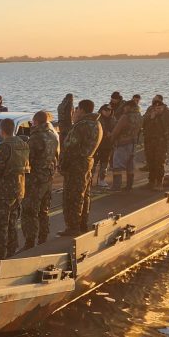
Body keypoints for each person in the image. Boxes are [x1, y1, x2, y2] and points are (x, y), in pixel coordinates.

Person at [59, 99, 103, 236]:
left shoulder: (81, 126)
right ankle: (82, 223)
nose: (75, 111)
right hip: (87, 162)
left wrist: (63, 164)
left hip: (76, 165)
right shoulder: (97, 124)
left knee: (73, 196)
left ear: (82, 110)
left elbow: (70, 147)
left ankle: (73, 226)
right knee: (84, 194)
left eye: (77, 109)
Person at [0, 118, 30, 260]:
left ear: (2, 130)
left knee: (0, 225)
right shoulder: (23, 144)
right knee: (12, 223)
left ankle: (0, 257)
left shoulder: (4, 146)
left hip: (4, 191)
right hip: (19, 190)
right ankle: (12, 252)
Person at [21, 110, 60, 249]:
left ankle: (30, 241)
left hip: (35, 180)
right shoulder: (53, 135)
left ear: (36, 122)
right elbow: (56, 156)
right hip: (48, 177)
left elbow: (27, 159)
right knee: (44, 209)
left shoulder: (36, 137)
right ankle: (43, 237)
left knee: (29, 210)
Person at [109, 94, 143, 190]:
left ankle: (116, 186)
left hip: (122, 143)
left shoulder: (125, 117)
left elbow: (116, 130)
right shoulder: (139, 116)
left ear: (129, 107)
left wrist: (111, 140)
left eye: (125, 107)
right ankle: (129, 185)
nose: (124, 109)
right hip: (133, 143)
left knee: (117, 165)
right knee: (130, 165)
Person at [142, 95, 169, 189]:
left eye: (159, 108)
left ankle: (159, 182)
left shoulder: (166, 115)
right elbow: (142, 124)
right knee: (150, 161)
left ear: (162, 108)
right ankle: (151, 181)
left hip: (161, 142)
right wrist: (150, 118)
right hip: (149, 141)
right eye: (156, 108)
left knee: (159, 162)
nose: (158, 109)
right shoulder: (149, 114)